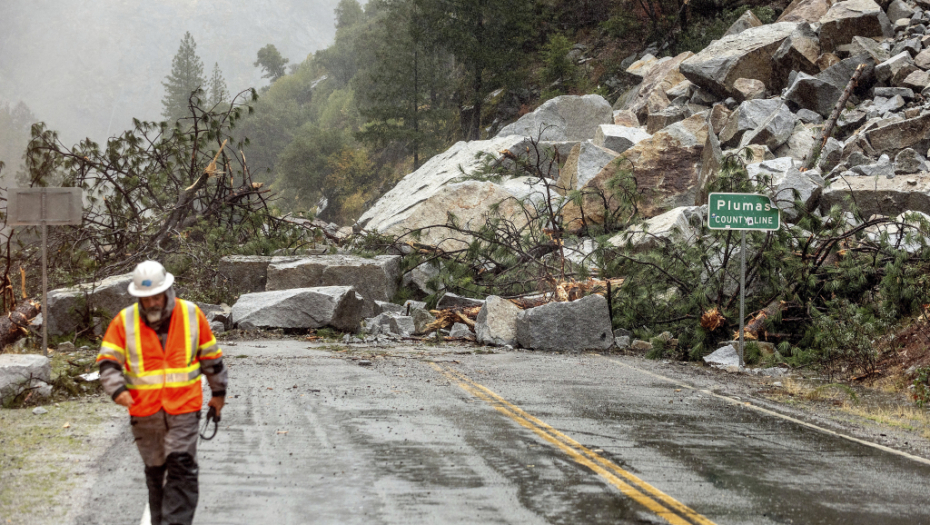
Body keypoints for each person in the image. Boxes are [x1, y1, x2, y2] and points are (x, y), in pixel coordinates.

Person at [96, 260, 228, 525]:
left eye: (157, 296)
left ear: (168, 292)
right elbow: (108, 363)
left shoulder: (191, 314)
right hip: (144, 414)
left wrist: (218, 393)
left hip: (184, 410)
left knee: (182, 471)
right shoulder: (124, 321)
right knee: (156, 475)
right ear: (138, 298)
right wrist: (116, 389)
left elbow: (211, 358)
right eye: (147, 299)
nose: (153, 303)